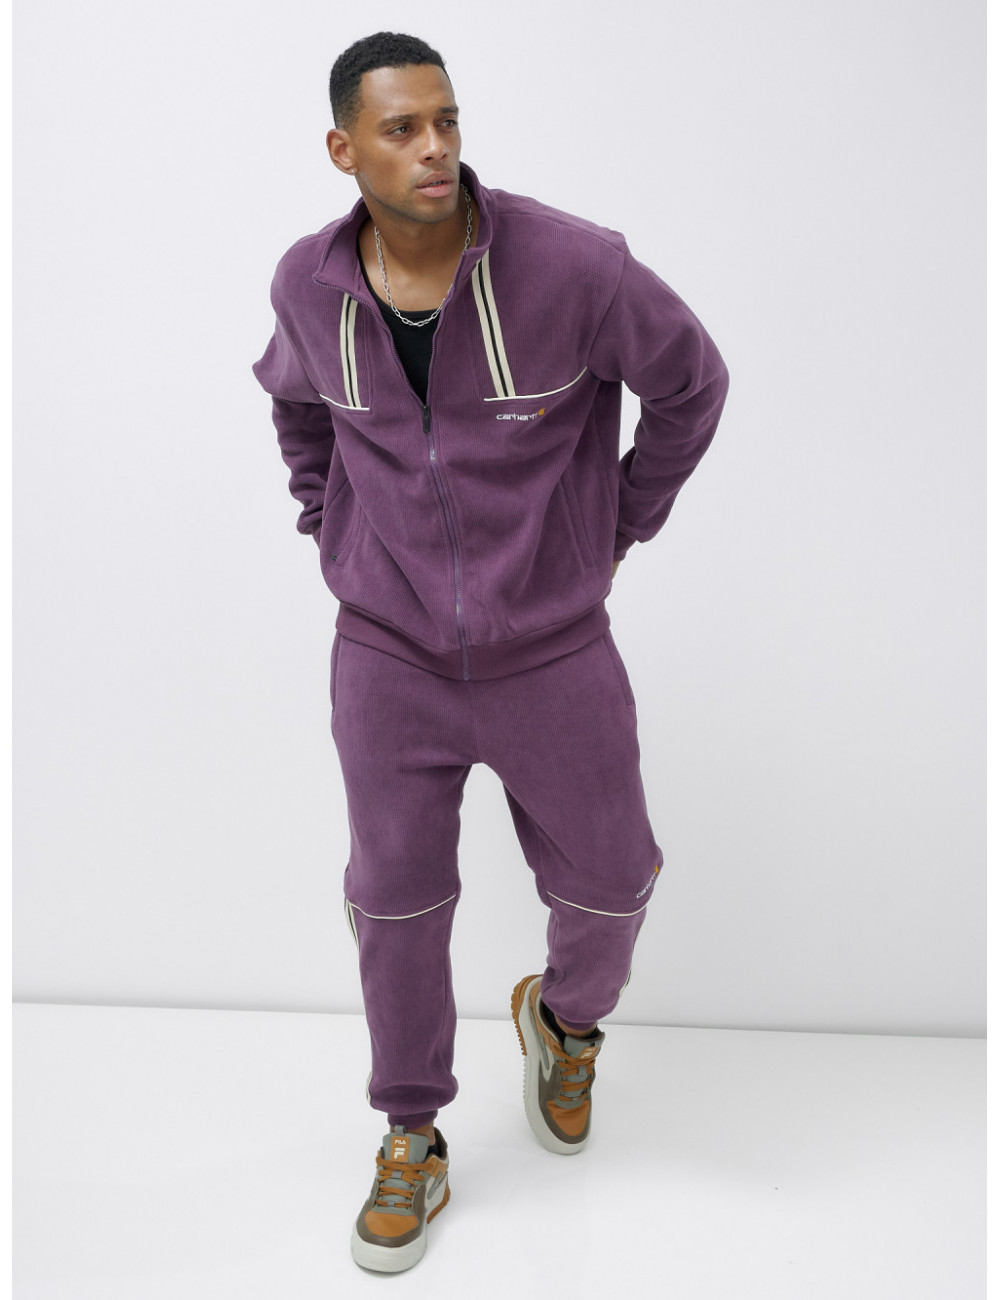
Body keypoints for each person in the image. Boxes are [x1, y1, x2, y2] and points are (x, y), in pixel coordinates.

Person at [252, 30, 730, 1274]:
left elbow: (693, 383)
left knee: (613, 879)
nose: (435, 148)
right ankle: (411, 1132)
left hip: (552, 648)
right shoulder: (307, 285)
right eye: (402, 128)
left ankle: (564, 1021)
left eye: (447, 121)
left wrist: (615, 525)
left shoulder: (573, 267)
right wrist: (327, 522)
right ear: (343, 149)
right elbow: (294, 403)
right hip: (387, 655)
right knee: (395, 899)